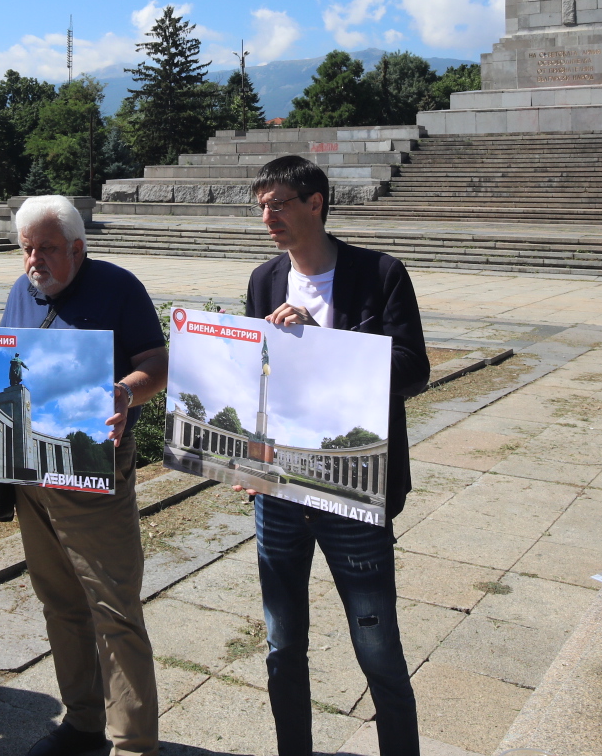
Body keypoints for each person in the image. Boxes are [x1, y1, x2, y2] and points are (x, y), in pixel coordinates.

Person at [0, 194, 168, 756]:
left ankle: (134, 743)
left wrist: (127, 390)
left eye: (47, 248)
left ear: (77, 247)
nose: (34, 260)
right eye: (26, 249)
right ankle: (81, 723)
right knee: (59, 601)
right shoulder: (20, 293)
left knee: (113, 606)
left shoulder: (119, 287)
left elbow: (158, 362)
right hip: (30, 478)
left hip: (93, 473)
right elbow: (4, 372)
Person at [242, 156, 429, 756]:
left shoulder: (379, 275)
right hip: (279, 492)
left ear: (315, 203)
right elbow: (257, 382)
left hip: (352, 489)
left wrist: (319, 342)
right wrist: (248, 458)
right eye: (262, 206)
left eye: (278, 205)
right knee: (282, 646)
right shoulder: (264, 280)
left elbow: (411, 371)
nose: (266, 217)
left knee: (378, 651)